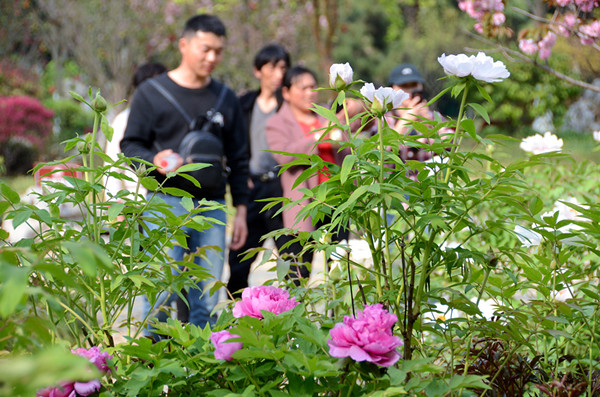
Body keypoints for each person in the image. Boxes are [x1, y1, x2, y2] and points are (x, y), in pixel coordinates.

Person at [120, 14, 249, 333]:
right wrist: (153, 160)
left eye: (218, 51)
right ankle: (151, 373)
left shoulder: (226, 98)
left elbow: (239, 157)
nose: (212, 58)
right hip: (164, 203)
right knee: (159, 296)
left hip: (212, 208)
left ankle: (198, 377)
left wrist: (242, 211)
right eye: (205, 49)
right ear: (183, 45)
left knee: (205, 299)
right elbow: (130, 145)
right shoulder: (151, 93)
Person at [266, 65, 350, 280]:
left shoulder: (326, 116)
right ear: (286, 92)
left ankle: (338, 313)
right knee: (298, 271)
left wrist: (354, 110)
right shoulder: (276, 123)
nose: (310, 92)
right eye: (303, 88)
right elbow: (285, 156)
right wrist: (319, 136)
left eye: (313, 87)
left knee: (339, 271)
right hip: (304, 205)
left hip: (336, 201)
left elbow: (350, 142)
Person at [226, 44, 291, 297]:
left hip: (282, 190)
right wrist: (239, 180)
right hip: (251, 188)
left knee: (291, 259)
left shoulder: (288, 105)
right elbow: (230, 146)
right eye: (272, 67)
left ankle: (291, 314)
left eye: (283, 68)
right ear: (258, 71)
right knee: (239, 258)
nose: (278, 73)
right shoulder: (243, 104)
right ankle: (235, 315)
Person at [105, 62, 167, 200]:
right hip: (137, 203)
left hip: (170, 201)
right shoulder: (124, 120)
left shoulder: (170, 118)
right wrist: (115, 203)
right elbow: (112, 166)